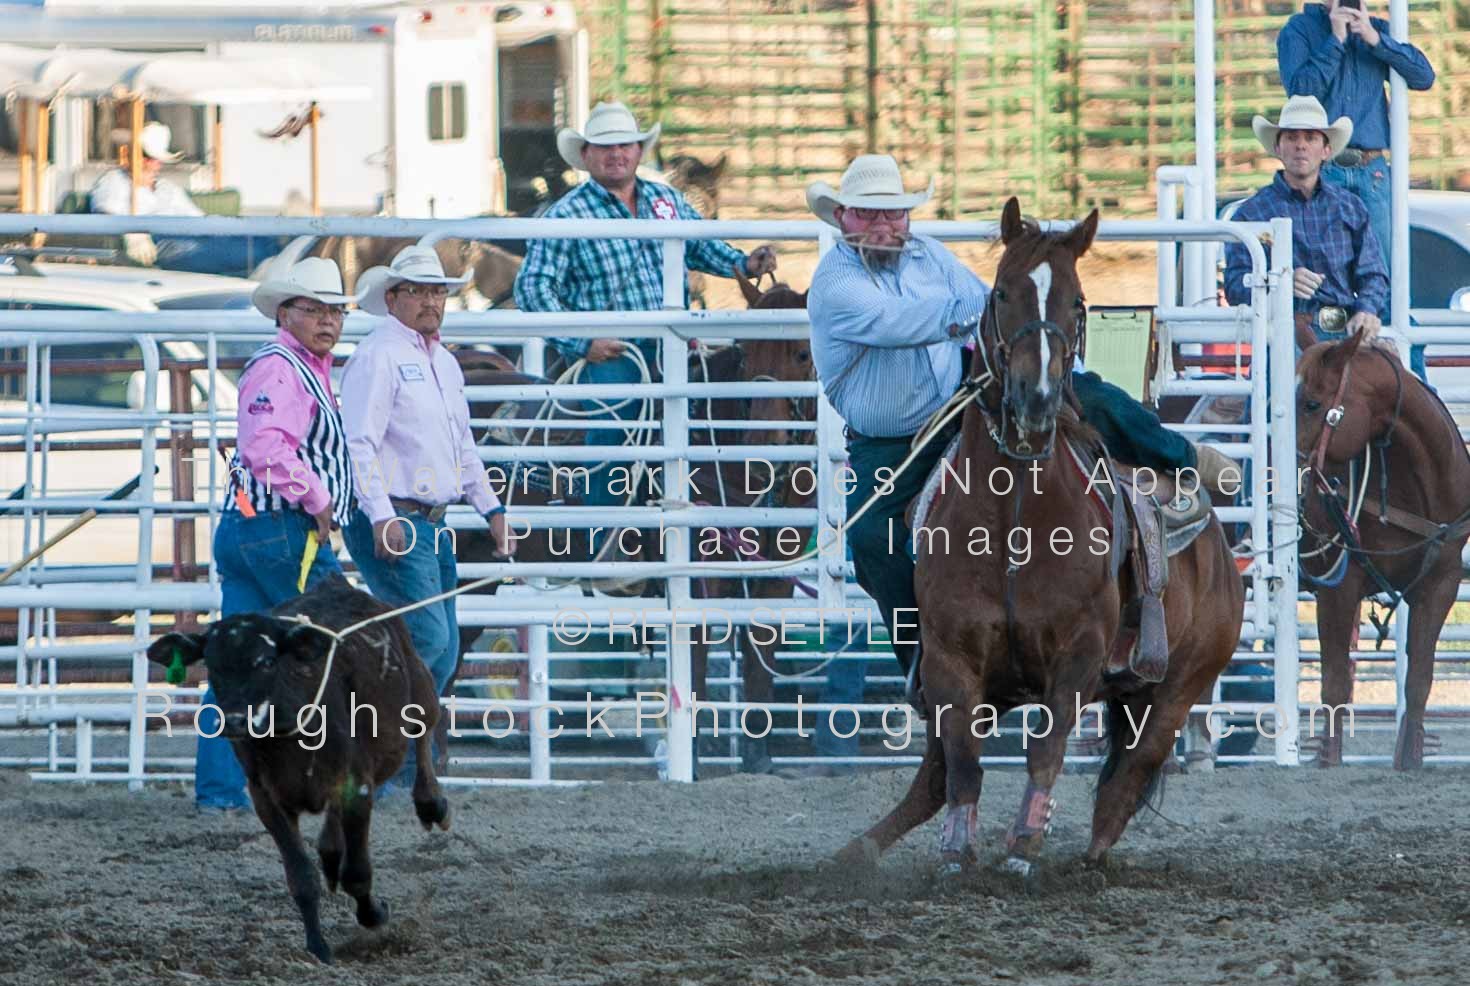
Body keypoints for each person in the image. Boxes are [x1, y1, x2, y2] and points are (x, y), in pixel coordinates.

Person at [806, 154, 1241, 688]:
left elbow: (981, 299)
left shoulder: (929, 257)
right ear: (842, 218)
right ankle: (923, 657)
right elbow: (901, 321)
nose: (884, 225)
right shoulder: (834, 283)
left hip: (957, 404)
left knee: (1091, 395)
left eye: (893, 213)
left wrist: (1050, 352)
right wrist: (1003, 308)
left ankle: (1187, 458)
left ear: (907, 217)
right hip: (890, 443)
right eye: (868, 214)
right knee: (873, 537)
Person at [513, 102, 778, 522]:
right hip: (614, 349)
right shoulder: (567, 213)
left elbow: (701, 244)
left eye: (625, 145)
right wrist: (582, 342)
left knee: (717, 413)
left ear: (638, 151)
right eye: (604, 147)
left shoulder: (665, 200)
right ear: (586, 156)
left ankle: (707, 528)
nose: (616, 154)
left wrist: (744, 264)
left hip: (673, 340)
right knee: (613, 428)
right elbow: (533, 287)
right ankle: (608, 536)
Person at [340, 246, 517, 793]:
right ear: (391, 298)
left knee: (435, 644)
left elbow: (463, 444)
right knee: (429, 641)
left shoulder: (442, 361)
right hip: (397, 516)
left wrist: (491, 507)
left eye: (437, 291)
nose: (430, 301)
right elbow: (359, 443)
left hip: (429, 521)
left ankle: (394, 756)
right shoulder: (378, 356)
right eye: (417, 291)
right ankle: (388, 761)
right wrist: (379, 515)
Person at [192, 257, 356, 811]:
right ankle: (341, 775)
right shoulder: (284, 368)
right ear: (286, 313)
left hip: (249, 531)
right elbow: (265, 448)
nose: (327, 320)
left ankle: (220, 793)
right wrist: (319, 498)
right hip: (284, 533)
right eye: (314, 309)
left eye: (334, 309)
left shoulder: (292, 367)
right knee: (339, 637)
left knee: (236, 664)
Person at [1277, 0, 1434, 318]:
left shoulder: (1376, 30)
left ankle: (1401, 365)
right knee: (1326, 277)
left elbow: (1423, 76)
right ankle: (1335, 360)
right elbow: (1300, 93)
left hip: (1371, 169)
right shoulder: (1299, 30)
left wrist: (1376, 41)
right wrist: (1335, 40)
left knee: (1386, 278)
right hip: (1325, 169)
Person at [1223, 96, 1388, 347]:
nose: (1301, 145)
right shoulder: (1250, 215)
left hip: (1344, 334)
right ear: (1278, 148)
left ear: (1326, 150)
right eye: (1291, 137)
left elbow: (1374, 274)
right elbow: (1236, 288)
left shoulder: (1351, 208)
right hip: (1281, 336)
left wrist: (1367, 310)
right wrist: (1280, 283)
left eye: (1310, 138)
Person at [88, 121, 281, 277]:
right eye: (145, 155)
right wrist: (133, 235)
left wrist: (224, 227)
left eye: (153, 157)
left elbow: (198, 220)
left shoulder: (167, 188)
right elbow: (106, 213)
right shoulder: (115, 180)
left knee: (262, 241)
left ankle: (270, 257)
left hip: (190, 233)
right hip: (158, 243)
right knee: (250, 252)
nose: (150, 162)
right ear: (131, 155)